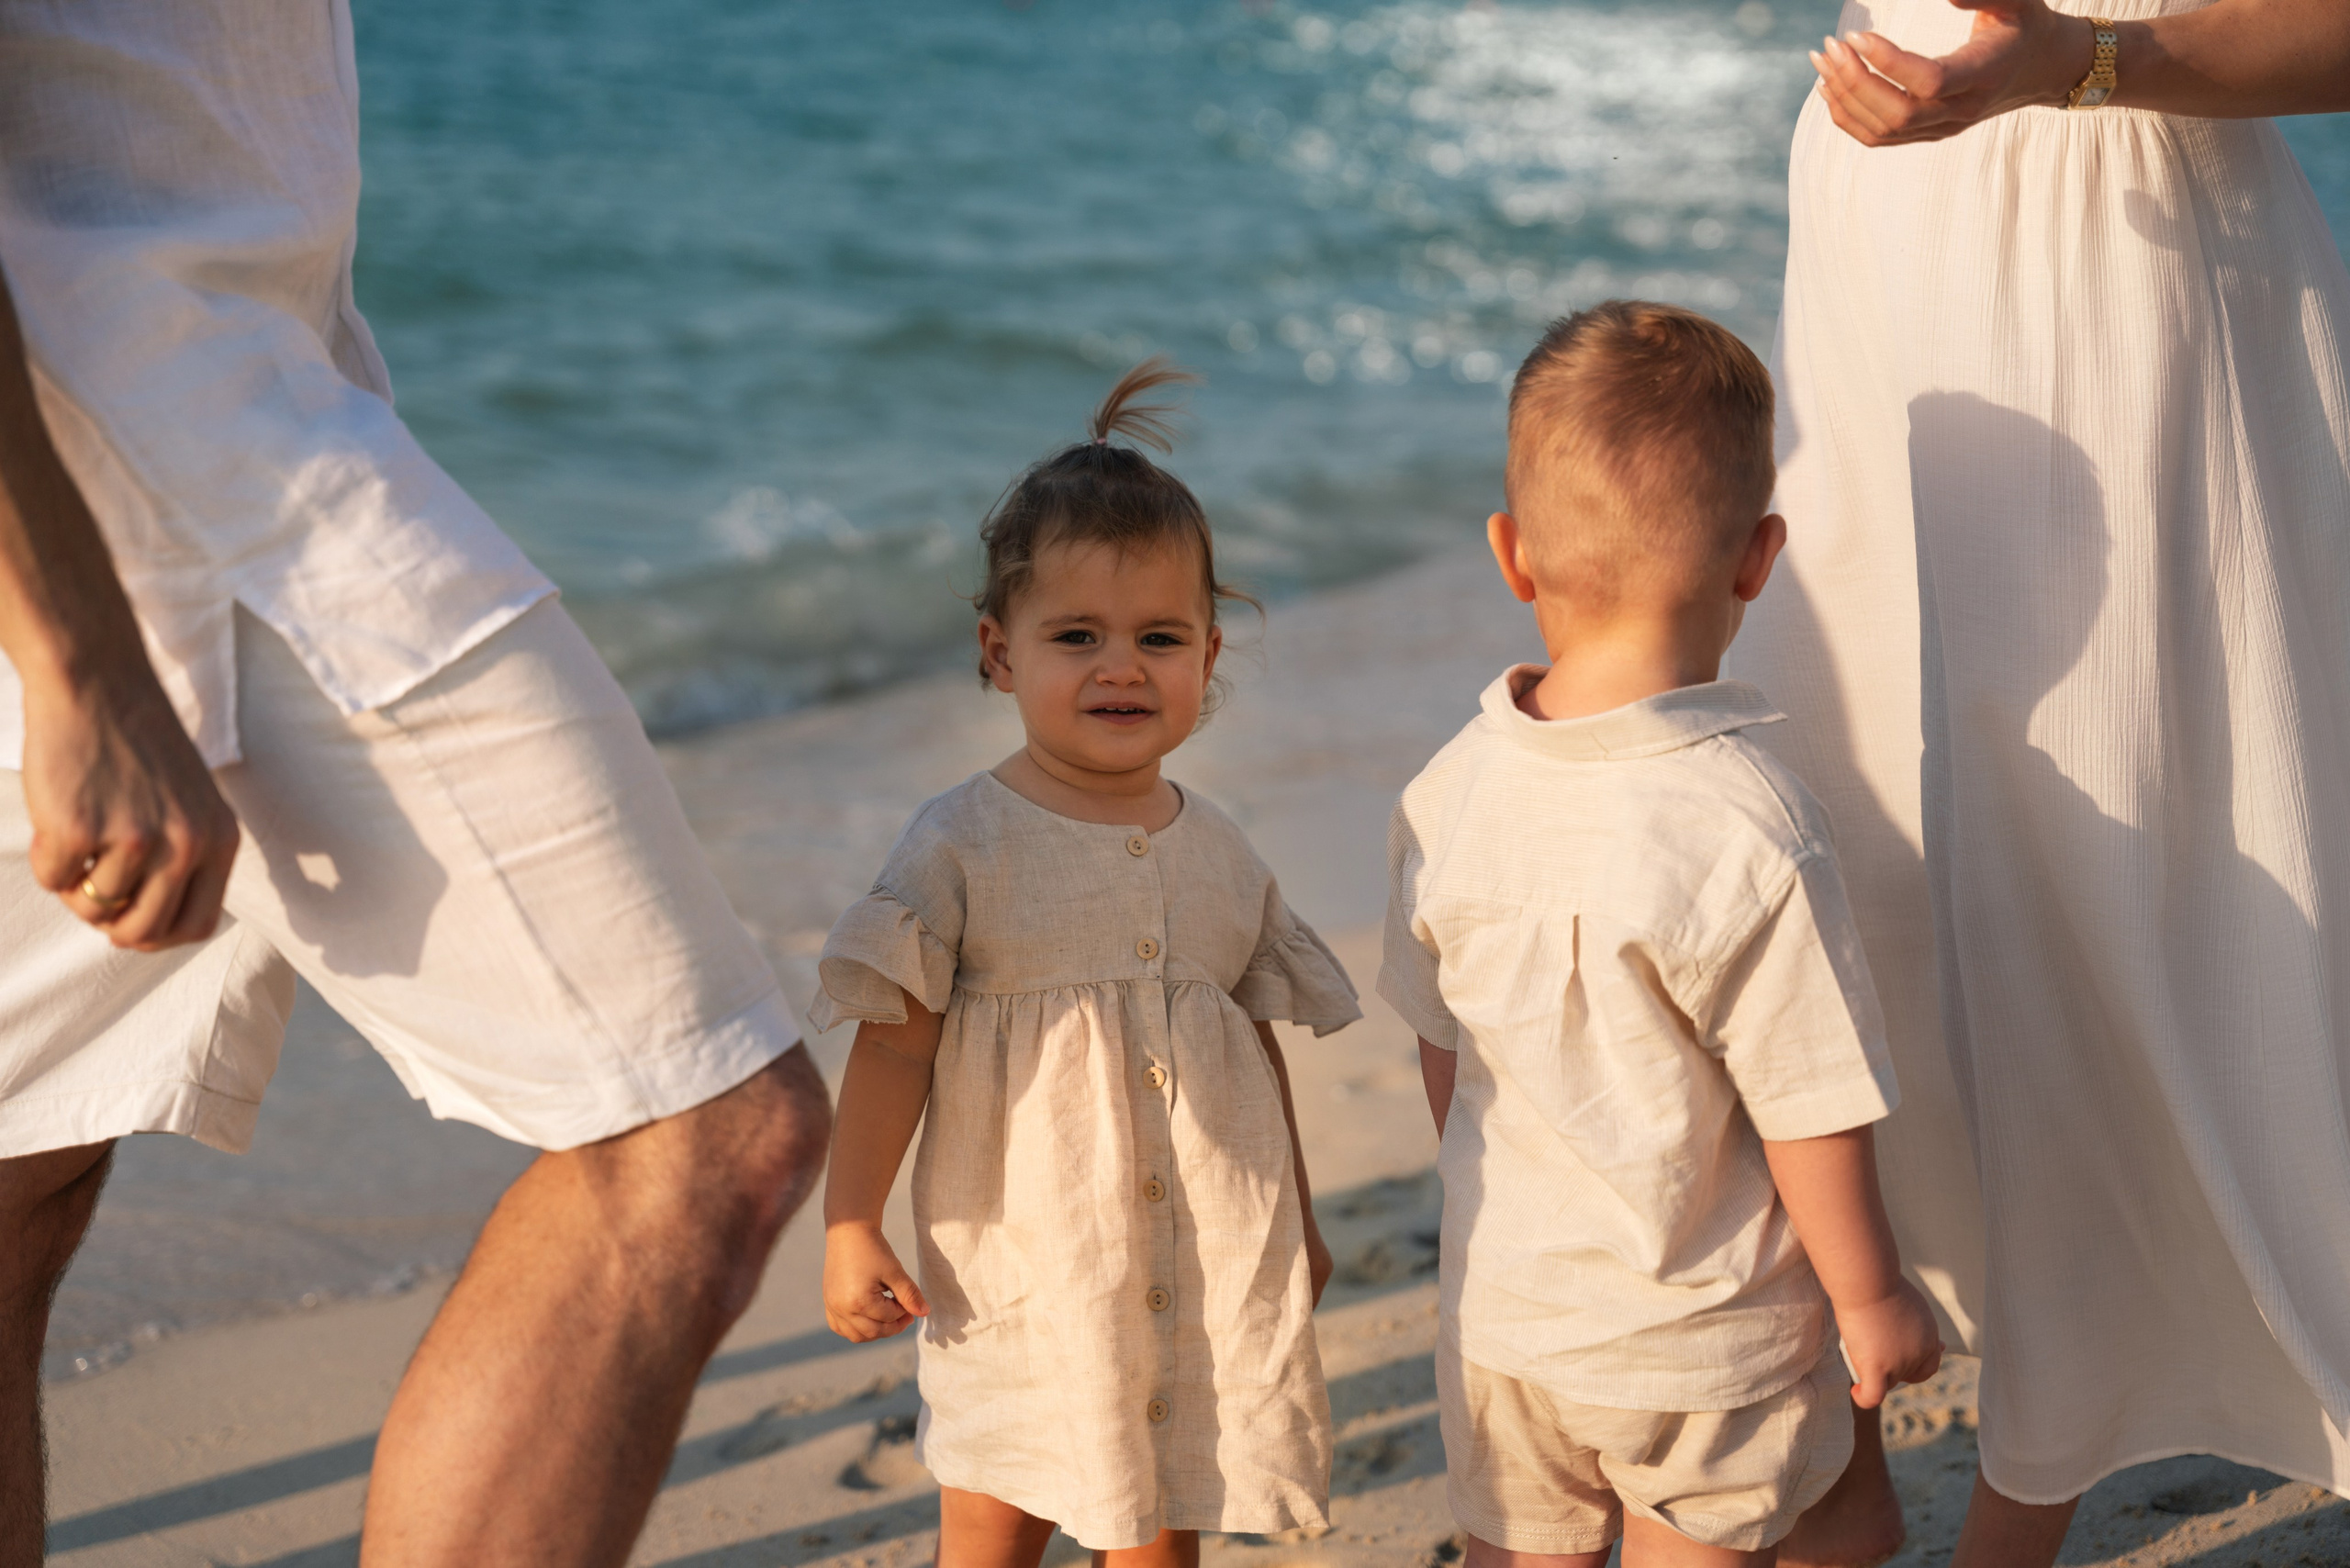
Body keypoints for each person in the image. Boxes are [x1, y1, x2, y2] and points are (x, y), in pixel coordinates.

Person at [0, 5, 830, 1562]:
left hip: (151, 425)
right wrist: (82, 666)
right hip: (176, 467)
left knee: (9, 1187)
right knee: (699, 1140)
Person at [1729, 1, 2350, 1564]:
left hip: (2120, 234)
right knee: (1862, 838)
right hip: (1883, 208)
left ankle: (2055, 1448)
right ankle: (1847, 1422)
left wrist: (2081, 61)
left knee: (2126, 854)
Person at [1378, 302, 1943, 1568]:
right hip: (1699, 1347)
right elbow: (1809, 1105)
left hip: (1507, 1321)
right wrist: (1871, 1295)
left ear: (1512, 555)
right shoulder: (1749, 822)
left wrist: (1513, 1196)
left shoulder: (1449, 789)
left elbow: (1440, 1049)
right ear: (1759, 559)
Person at [812, 363, 1360, 1568]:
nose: (1121, 667)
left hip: (1190, 1261)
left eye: (1158, 637)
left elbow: (1252, 1042)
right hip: (1018, 1269)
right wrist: (851, 1218)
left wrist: (1299, 1223)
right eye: (1077, 637)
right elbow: (896, 1043)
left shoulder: (1218, 850)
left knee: (1159, 1520)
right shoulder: (961, 843)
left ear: (1209, 655)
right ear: (999, 654)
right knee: (995, 1514)